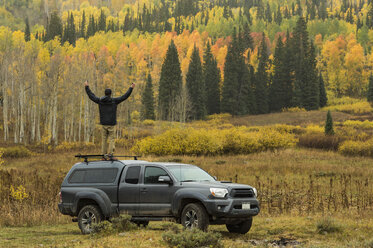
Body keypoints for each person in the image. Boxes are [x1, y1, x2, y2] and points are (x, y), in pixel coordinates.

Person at [84, 81, 135, 158]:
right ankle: (110, 154)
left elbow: (91, 96)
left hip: (104, 124)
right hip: (111, 124)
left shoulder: (100, 101)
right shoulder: (114, 101)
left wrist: (87, 87)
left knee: (104, 140)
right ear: (110, 94)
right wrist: (131, 88)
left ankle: (103, 155)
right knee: (111, 139)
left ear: (105, 93)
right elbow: (125, 96)